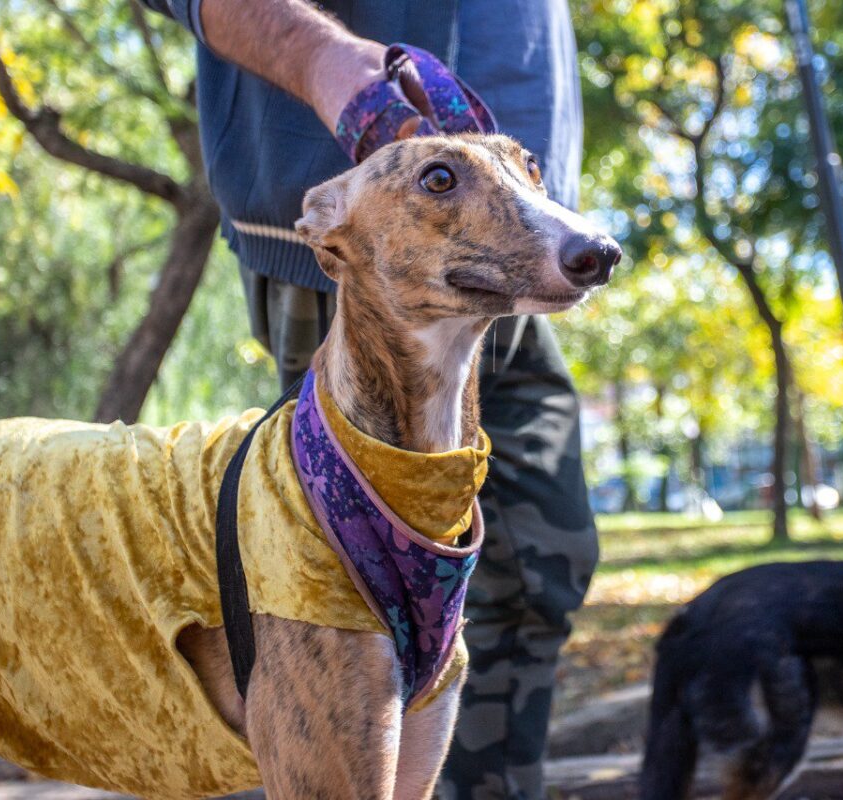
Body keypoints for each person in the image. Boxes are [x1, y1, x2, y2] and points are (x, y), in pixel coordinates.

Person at [140, 2, 598, 796]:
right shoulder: (343, 231)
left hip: (526, 255)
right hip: (361, 248)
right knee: (335, 618)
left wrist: (528, 199)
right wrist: (323, 61)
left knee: (533, 569)